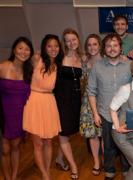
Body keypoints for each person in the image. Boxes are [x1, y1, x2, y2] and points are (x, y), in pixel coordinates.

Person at [87, 33, 132, 179]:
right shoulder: (97, 66)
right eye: (108, 46)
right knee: (108, 145)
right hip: (105, 113)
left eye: (115, 45)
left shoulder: (129, 65)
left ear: (120, 47)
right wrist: (95, 113)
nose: (112, 49)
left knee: (125, 145)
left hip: (125, 114)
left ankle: (126, 170)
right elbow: (91, 91)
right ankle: (109, 171)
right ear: (104, 48)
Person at [23, 34, 63, 180]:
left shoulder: (58, 64)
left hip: (49, 101)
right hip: (33, 101)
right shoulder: (36, 59)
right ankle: (45, 175)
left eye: (56, 46)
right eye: (49, 46)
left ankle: (46, 170)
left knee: (49, 141)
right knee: (38, 143)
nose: (53, 49)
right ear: (44, 47)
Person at [0, 37, 33, 180]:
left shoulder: (29, 72)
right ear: (14, 49)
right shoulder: (2, 67)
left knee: (15, 147)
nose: (23, 52)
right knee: (5, 149)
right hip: (3, 114)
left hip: (20, 115)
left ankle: (13, 177)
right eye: (20, 48)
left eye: (27, 49)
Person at [54, 28, 83, 179]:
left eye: (74, 39)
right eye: (68, 40)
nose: (71, 42)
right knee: (63, 133)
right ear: (64, 42)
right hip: (61, 100)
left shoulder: (81, 57)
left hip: (76, 99)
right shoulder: (59, 58)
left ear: (78, 40)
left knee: (69, 132)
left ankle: (59, 158)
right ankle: (73, 166)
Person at [79, 33, 103, 176]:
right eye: (89, 44)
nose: (92, 47)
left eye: (95, 44)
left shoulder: (106, 61)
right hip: (88, 103)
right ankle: (96, 162)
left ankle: (106, 160)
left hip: (104, 102)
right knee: (93, 135)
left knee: (105, 135)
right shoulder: (83, 62)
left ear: (100, 45)